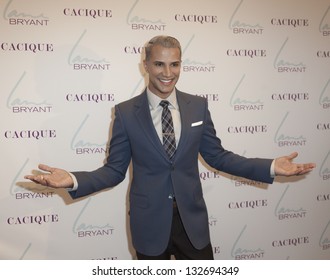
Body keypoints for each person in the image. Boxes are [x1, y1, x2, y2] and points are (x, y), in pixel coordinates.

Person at [25, 35, 316, 260]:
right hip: (149, 224)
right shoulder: (126, 113)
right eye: (159, 64)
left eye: (174, 64)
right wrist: (73, 179)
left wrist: (270, 167)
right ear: (146, 66)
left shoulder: (197, 106)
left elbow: (217, 156)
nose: (168, 72)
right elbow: (114, 171)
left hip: (193, 225)